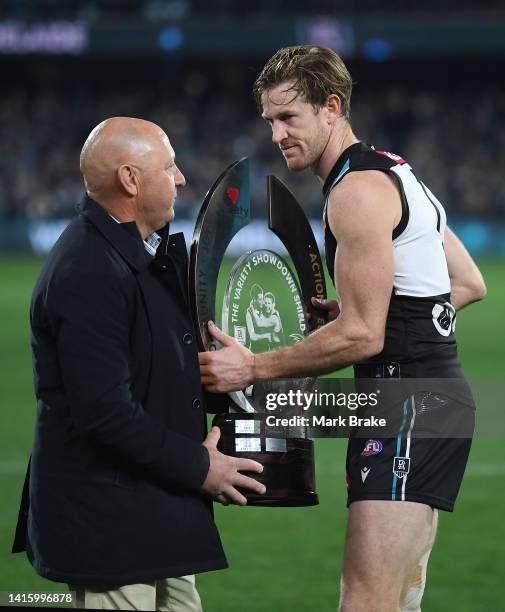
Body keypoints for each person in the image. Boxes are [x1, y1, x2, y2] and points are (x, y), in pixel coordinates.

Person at [198, 46, 487, 611]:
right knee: (398, 601)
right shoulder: (397, 171)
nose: (277, 134)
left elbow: (364, 337)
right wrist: (386, 310)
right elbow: (469, 283)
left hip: (407, 407)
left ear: (331, 108)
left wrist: (253, 367)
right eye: (270, 121)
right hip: (426, 400)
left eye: (289, 117)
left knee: (365, 601)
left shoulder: (354, 192)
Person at [12, 117, 265, 611]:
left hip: (158, 514)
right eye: (168, 166)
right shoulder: (87, 267)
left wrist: (227, 378)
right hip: (110, 530)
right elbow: (105, 415)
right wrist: (201, 468)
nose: (180, 178)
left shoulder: (137, 255)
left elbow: (157, 375)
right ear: (130, 179)